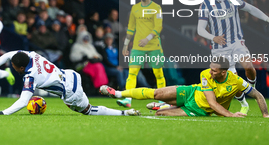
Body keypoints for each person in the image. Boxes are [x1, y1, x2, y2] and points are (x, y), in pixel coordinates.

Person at [0, 51, 140, 116]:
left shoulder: (30, 76)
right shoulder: (30, 54)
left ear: (21, 67)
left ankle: (124, 111)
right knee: (85, 108)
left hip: (71, 92)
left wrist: (3, 113)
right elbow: (9, 55)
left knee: (88, 111)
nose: (12, 67)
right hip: (71, 75)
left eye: (14, 67)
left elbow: (23, 101)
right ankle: (116, 98)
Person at [100, 57, 269, 118]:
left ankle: (165, 107)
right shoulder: (205, 74)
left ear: (224, 72)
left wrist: (265, 114)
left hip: (198, 110)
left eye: (214, 70)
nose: (210, 72)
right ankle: (117, 93)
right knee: (157, 92)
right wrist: (231, 115)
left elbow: (259, 95)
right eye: (210, 68)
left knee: (160, 114)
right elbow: (212, 101)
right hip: (191, 93)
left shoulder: (237, 81)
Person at [197, 0, 269, 114]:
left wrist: (266, 19)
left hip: (236, 42)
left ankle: (251, 90)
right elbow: (200, 29)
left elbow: (250, 8)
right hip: (220, 47)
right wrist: (213, 38)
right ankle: (244, 103)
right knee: (231, 79)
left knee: (249, 67)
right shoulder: (205, 4)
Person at [119, 0, 166, 108]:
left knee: (159, 73)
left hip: (154, 46)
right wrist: (125, 45)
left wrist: (147, 39)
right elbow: (131, 28)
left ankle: (162, 101)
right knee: (132, 73)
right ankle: (127, 99)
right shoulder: (135, 8)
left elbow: (158, 27)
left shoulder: (156, 8)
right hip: (138, 47)